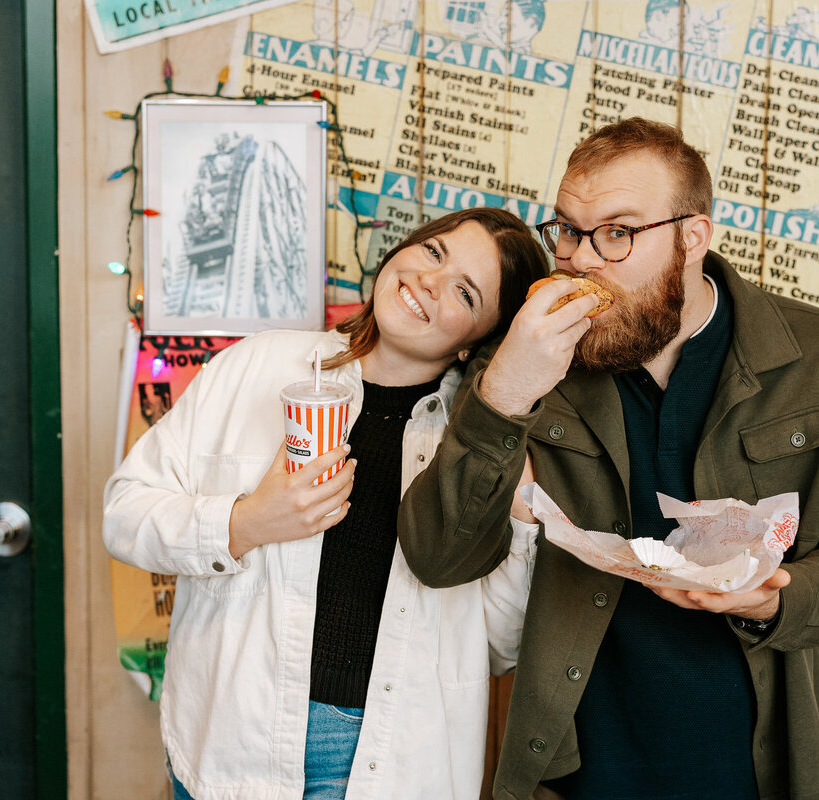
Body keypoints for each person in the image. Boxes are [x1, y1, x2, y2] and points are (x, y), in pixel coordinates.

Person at [398, 118, 819, 800]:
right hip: (573, 768)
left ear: (692, 237)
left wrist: (769, 603)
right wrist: (507, 392)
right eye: (570, 231)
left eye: (618, 232)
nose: (581, 259)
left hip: (751, 765)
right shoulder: (523, 355)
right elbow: (440, 556)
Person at [103, 207, 549, 800]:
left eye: (464, 293)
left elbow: (496, 646)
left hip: (384, 761)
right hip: (231, 741)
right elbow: (125, 512)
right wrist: (243, 523)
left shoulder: (474, 452)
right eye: (434, 253)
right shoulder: (257, 365)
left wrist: (520, 515)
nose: (428, 282)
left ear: (476, 343)